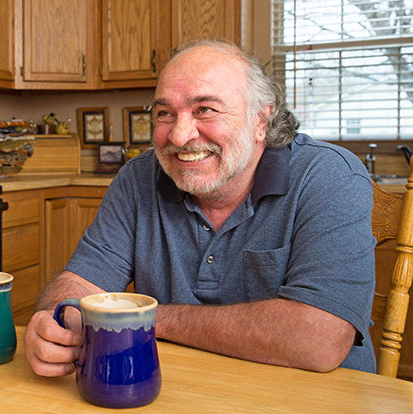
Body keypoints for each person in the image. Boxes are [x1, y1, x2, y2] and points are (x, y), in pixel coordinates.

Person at [25, 39, 376, 375]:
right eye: (165, 113)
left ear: (260, 121)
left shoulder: (330, 175)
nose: (178, 136)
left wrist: (141, 318)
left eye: (204, 109)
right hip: (178, 387)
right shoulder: (138, 177)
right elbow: (79, 284)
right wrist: (53, 318)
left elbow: (318, 340)